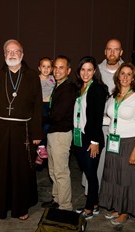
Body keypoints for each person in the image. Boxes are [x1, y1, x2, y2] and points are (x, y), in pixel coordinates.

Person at [0, 39, 42, 220]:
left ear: (22, 55)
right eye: (9, 51)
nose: (12, 54)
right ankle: (2, 207)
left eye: (16, 51)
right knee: (2, 168)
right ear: (4, 55)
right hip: (0, 129)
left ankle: (20, 208)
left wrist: (37, 133)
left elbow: (37, 107)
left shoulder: (32, 76)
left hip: (22, 130)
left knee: (21, 169)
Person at [98, 63, 135, 225]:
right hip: (113, 141)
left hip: (129, 143)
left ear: (133, 79)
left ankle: (125, 212)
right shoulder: (113, 97)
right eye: (122, 73)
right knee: (114, 177)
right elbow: (110, 118)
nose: (125, 77)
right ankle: (118, 207)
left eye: (129, 74)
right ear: (118, 76)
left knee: (126, 178)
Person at [73, 56, 108, 220]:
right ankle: (94, 204)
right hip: (79, 136)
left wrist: (95, 142)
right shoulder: (79, 87)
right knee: (87, 172)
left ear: (95, 71)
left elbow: (97, 118)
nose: (85, 73)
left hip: (91, 138)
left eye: (89, 69)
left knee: (91, 173)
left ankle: (89, 209)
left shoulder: (98, 89)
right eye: (82, 69)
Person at [41, 55, 77, 211]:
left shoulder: (68, 88)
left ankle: (65, 206)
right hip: (53, 132)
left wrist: (38, 117)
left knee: (61, 172)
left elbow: (57, 115)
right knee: (53, 170)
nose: (56, 70)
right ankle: (57, 199)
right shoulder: (57, 86)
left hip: (61, 134)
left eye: (61, 67)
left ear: (68, 70)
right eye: (55, 67)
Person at [35, 57, 55, 165]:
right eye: (43, 66)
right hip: (41, 105)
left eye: (49, 67)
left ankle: (41, 154)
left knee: (47, 129)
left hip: (50, 105)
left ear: (52, 69)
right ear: (39, 68)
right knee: (45, 125)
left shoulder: (53, 79)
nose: (46, 69)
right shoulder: (36, 79)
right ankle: (41, 147)